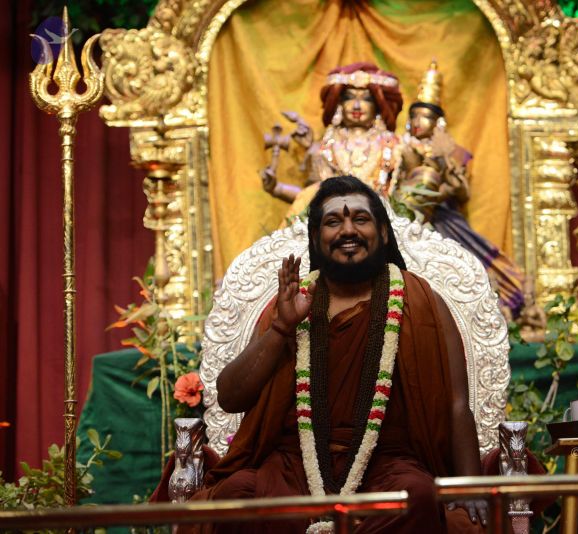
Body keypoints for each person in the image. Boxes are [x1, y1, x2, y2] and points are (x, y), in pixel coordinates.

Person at [187, 175, 487, 533]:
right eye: (333, 221)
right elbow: (230, 398)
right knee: (236, 494)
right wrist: (282, 328)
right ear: (316, 238)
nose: (348, 230)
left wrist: (471, 486)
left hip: (387, 465)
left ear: (384, 233)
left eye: (360, 219)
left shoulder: (419, 301)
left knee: (417, 496)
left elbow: (456, 403)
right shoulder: (291, 304)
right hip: (293, 467)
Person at [394, 61, 525, 316]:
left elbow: (463, 193)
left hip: (444, 219)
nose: (418, 122)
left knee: (466, 265)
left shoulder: (451, 152)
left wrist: (444, 169)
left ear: (438, 122)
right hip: (410, 218)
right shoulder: (400, 148)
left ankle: (492, 307)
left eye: (425, 117)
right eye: (414, 116)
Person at [261, 63, 403, 214]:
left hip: (382, 220)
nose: (356, 105)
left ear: (378, 105)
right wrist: (277, 189)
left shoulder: (394, 147)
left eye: (366, 99)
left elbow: (407, 196)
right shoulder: (324, 149)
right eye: (349, 98)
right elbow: (311, 198)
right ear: (339, 104)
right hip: (334, 220)